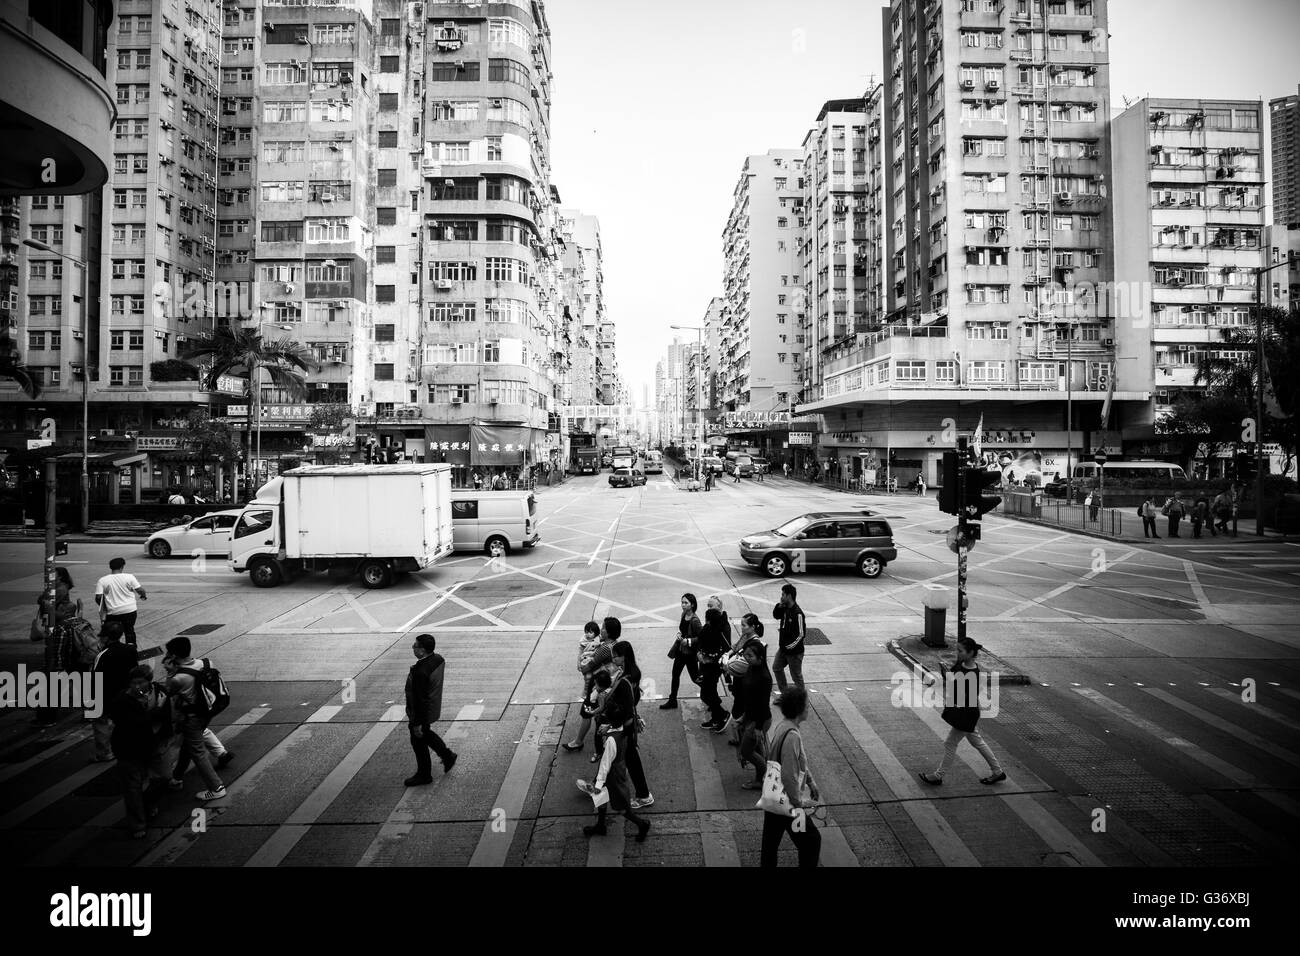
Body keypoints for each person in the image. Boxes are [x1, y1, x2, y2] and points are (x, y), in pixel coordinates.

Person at [579, 640, 653, 839]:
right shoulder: (626, 673)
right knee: (610, 783)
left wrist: (610, 724)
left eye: (616, 656)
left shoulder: (627, 679)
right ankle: (602, 821)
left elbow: (605, 763)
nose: (613, 660)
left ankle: (641, 820)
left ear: (624, 656)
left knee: (621, 805)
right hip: (621, 729)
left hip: (621, 736)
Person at [919, 637, 1006, 787]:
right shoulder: (962, 664)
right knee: (977, 742)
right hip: (965, 710)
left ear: (971, 653)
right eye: (957, 650)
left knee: (950, 743)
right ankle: (998, 772)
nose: (957, 653)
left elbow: (969, 695)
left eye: (960, 651)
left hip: (966, 712)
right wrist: (943, 676)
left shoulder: (974, 673)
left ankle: (938, 776)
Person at [759, 686, 821, 868]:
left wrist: (811, 781)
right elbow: (789, 775)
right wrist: (798, 804)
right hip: (788, 803)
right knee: (811, 840)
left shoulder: (784, 725)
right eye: (807, 705)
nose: (809, 708)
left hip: (773, 795)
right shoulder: (792, 736)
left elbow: (798, 761)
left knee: (770, 843)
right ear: (799, 709)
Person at [110, 665, 174, 839]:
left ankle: (148, 802)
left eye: (141, 682)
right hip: (129, 748)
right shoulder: (122, 701)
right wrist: (156, 711)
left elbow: (168, 717)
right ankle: (138, 824)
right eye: (134, 683)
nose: (137, 686)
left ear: (149, 681)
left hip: (156, 744)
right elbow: (133, 724)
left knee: (165, 777)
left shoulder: (160, 693)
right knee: (132, 788)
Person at [162, 637, 226, 801]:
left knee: (197, 752)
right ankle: (176, 778)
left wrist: (169, 672)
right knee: (188, 746)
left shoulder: (179, 677)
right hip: (207, 712)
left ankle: (216, 787)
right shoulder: (206, 663)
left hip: (191, 717)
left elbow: (168, 691)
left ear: (174, 655)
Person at [404, 633, 457, 785]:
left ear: (422, 650)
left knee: (418, 739)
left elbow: (419, 699)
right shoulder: (437, 659)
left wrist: (417, 722)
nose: (413, 648)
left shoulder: (420, 672)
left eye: (415, 646)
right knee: (426, 734)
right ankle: (447, 756)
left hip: (421, 712)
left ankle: (424, 774)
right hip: (431, 707)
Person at [89, 622, 138, 763]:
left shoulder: (102, 655)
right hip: (124, 692)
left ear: (105, 638)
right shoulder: (130, 650)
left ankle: (105, 753)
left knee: (101, 723)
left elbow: (95, 678)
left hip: (105, 694)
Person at [732, 617, 772, 790]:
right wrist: (743, 716)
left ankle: (765, 776)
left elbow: (762, 704)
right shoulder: (752, 669)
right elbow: (750, 700)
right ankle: (762, 776)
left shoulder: (763, 678)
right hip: (751, 716)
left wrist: (757, 727)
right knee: (757, 749)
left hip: (759, 719)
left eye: (750, 656)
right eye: (746, 655)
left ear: (760, 658)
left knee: (746, 751)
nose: (746, 658)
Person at [563, 621, 612, 754]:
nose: (600, 631)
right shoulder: (612, 644)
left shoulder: (604, 648)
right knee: (597, 711)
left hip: (598, 684)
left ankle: (579, 742)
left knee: (587, 711)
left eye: (603, 629)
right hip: (602, 682)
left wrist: (583, 666)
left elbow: (591, 663)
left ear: (609, 632)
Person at [660, 593, 703, 709]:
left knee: (695, 678)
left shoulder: (695, 620)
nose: (683, 605)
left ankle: (709, 694)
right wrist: (680, 634)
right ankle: (672, 700)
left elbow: (702, 637)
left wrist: (688, 641)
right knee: (675, 675)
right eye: (682, 602)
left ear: (692, 604)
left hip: (690, 654)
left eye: (686, 603)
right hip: (680, 651)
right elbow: (682, 629)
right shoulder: (684, 614)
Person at [94, 557, 147, 645]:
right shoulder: (129, 577)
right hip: (129, 610)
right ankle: (131, 650)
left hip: (112, 612)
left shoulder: (102, 580)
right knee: (129, 631)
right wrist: (143, 596)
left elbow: (98, 597)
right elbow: (140, 590)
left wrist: (104, 606)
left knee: (112, 634)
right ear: (122, 567)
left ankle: (113, 650)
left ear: (111, 567)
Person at [697, 607, 732, 731]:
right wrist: (700, 654)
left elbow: (727, 651)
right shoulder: (707, 629)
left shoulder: (720, 632)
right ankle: (716, 718)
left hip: (714, 668)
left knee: (707, 694)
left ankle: (722, 715)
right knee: (708, 693)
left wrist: (711, 658)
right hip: (705, 667)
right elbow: (700, 642)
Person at [772, 583, 807, 700]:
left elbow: (801, 634)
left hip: (794, 652)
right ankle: (785, 695)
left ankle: (802, 699)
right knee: (776, 668)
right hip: (783, 649)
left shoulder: (798, 614)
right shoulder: (785, 608)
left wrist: (789, 647)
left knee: (796, 676)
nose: (781, 596)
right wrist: (779, 606)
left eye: (783, 594)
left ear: (789, 596)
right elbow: (776, 616)